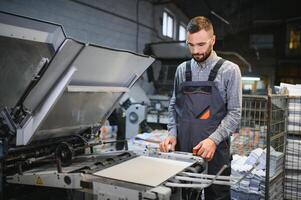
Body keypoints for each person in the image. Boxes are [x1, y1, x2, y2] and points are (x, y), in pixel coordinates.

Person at [159, 16, 242, 200]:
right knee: (182, 195)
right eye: (191, 45)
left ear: (213, 40)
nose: (196, 51)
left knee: (217, 196)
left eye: (201, 44)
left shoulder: (229, 70)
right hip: (183, 151)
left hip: (215, 152)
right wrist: (171, 133)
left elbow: (235, 114)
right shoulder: (182, 69)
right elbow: (174, 106)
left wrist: (213, 140)